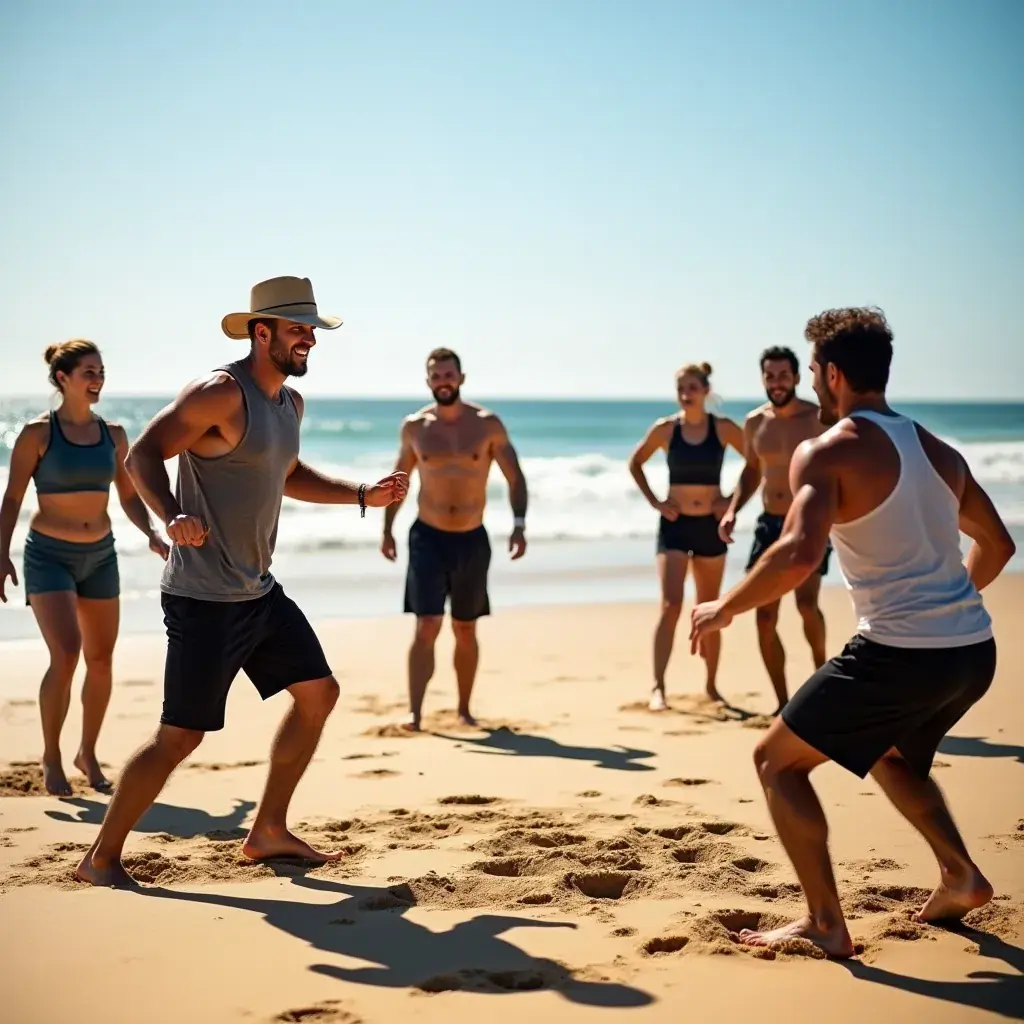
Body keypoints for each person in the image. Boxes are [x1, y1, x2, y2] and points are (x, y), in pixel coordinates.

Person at [690, 307, 1014, 957]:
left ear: (833, 374)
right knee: (892, 756)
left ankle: (825, 923)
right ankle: (961, 876)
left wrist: (725, 605)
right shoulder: (940, 451)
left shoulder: (826, 450)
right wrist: (944, 602)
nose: (811, 383)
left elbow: (797, 554)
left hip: (900, 653)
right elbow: (998, 545)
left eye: (812, 370)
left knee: (776, 764)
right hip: (972, 652)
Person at [76, 276, 408, 886]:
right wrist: (170, 514)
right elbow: (142, 454)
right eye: (297, 328)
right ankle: (100, 858)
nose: (309, 337)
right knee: (180, 736)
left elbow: (284, 472)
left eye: (312, 328)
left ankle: (268, 831)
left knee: (318, 692)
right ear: (262, 332)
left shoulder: (289, 404)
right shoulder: (220, 393)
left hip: (257, 589)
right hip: (203, 598)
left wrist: (362, 494)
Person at [0, 340, 168, 796]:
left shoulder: (113, 435)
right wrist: (1, 554)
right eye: (88, 372)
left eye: (101, 372)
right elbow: (12, 498)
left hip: (101, 555)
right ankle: (51, 755)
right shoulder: (37, 435)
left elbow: (129, 495)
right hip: (48, 555)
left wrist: (152, 532)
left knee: (100, 659)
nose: (97, 380)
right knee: (67, 652)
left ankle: (86, 752)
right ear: (62, 379)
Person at [381, 347, 527, 731]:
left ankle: (463, 710)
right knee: (427, 623)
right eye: (436, 376)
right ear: (428, 381)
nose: (443, 382)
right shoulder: (415, 427)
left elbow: (516, 476)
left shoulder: (487, 424)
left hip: (471, 540)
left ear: (461, 378)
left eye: (449, 375)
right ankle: (415, 713)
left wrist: (519, 523)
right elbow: (400, 481)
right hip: (427, 537)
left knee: (465, 626)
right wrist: (387, 530)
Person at [718, 346, 828, 713]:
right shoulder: (754, 422)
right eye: (770, 376)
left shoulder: (818, 419)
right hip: (769, 523)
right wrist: (733, 509)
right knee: (764, 617)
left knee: (807, 605)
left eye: (783, 375)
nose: (776, 383)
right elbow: (752, 470)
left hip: (809, 520)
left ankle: (825, 688)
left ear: (796, 378)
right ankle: (783, 704)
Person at [628, 362, 743, 710]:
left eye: (692, 387)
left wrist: (731, 501)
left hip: (710, 526)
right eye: (681, 388)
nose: (686, 393)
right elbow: (635, 462)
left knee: (709, 610)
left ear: (706, 390)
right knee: (671, 605)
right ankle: (658, 688)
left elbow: (759, 462)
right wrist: (656, 503)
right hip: (675, 526)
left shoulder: (721, 428)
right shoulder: (666, 430)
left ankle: (711, 687)